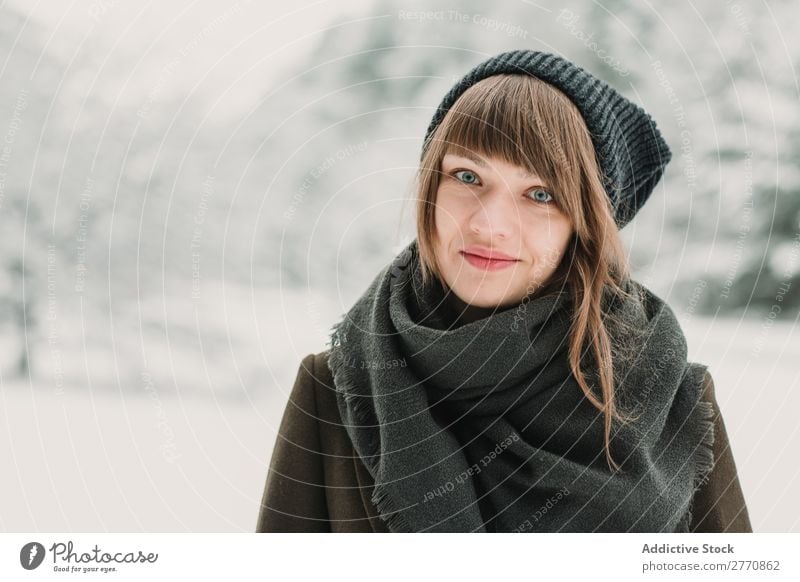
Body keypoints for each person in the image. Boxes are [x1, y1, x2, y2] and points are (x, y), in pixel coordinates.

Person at [256, 50, 752, 533]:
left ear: (584, 227)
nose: (489, 224)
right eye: (467, 177)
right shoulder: (333, 389)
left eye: (540, 194)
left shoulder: (662, 397)